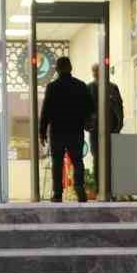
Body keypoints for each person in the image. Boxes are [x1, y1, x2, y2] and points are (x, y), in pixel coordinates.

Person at [39, 57, 90, 202]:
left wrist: (42, 132)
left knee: (57, 163)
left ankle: (57, 194)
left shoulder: (52, 87)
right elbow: (90, 107)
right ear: (71, 68)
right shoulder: (81, 86)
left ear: (57, 69)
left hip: (57, 132)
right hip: (75, 130)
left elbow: (46, 111)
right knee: (78, 161)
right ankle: (80, 190)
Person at [87, 64, 125, 199]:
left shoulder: (113, 88)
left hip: (111, 130)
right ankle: (99, 189)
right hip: (96, 130)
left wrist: (119, 125)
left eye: (98, 70)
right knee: (97, 159)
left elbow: (119, 106)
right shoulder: (89, 87)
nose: (95, 73)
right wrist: (88, 125)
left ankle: (112, 190)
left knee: (112, 160)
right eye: (94, 71)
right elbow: (85, 108)